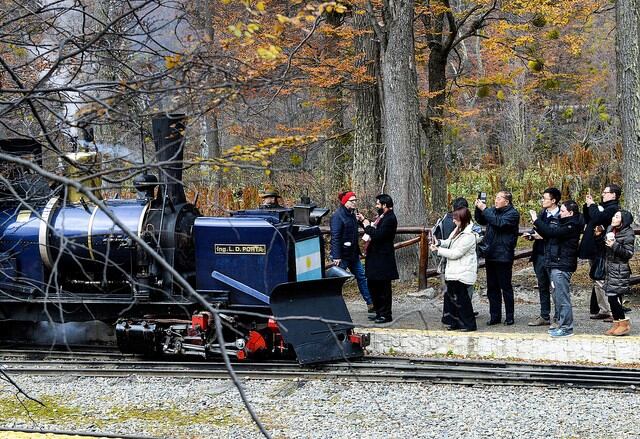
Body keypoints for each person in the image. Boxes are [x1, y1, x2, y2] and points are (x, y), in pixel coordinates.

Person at [531, 200, 583, 338]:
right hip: (554, 264)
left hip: (562, 265)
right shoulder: (562, 223)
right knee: (557, 296)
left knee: (562, 297)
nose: (560, 213)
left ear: (570, 213)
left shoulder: (572, 225)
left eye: (563, 211)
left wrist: (536, 220)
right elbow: (548, 233)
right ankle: (561, 324)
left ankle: (567, 327)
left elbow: (551, 232)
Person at [474, 190, 520, 326]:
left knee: (505, 287)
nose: (496, 200)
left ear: (507, 201)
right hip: (490, 254)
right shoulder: (492, 210)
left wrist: (485, 209)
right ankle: (495, 316)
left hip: (504, 255)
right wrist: (478, 208)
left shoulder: (513, 214)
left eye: (499, 198)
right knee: (492, 287)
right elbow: (481, 219)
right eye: (496, 197)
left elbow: (499, 223)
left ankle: (510, 316)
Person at [430, 207, 478, 332]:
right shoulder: (458, 231)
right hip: (453, 271)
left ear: (462, 219)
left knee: (462, 299)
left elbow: (457, 253)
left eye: (455, 219)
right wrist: (439, 242)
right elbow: (449, 243)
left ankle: (469, 324)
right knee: (451, 298)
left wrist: (438, 250)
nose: (453, 221)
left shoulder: (469, 235)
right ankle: (453, 322)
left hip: (462, 271)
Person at [578, 184, 621, 321]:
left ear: (614, 195)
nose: (603, 194)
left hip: (603, 248)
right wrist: (588, 206)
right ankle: (603, 309)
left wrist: (592, 206)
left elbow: (598, 218)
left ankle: (611, 310)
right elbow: (589, 219)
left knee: (603, 279)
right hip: (594, 246)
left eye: (606, 192)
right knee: (597, 279)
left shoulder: (613, 208)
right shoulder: (602, 207)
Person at [356, 194, 398, 324]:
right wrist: (363, 221)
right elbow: (372, 230)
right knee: (373, 285)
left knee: (383, 288)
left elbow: (378, 235)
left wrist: (367, 226)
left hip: (383, 259)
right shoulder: (381, 217)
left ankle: (386, 314)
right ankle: (379, 311)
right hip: (375, 257)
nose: (376, 206)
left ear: (385, 205)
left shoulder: (390, 219)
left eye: (378, 204)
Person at [330, 191, 373, 313]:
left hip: (353, 254)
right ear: (345, 202)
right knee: (337, 282)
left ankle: (370, 303)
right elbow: (335, 236)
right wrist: (336, 256)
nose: (354, 203)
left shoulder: (352, 214)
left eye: (355, 200)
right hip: (342, 255)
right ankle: (333, 306)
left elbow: (363, 226)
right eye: (352, 201)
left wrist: (362, 219)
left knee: (362, 276)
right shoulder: (337, 216)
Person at [524, 188, 561, 327]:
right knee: (542, 286)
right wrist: (531, 234)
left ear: (553, 200)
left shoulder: (561, 215)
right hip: (539, 254)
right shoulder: (542, 213)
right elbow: (538, 230)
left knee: (555, 287)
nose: (542, 201)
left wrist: (541, 233)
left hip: (552, 256)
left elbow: (552, 234)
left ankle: (558, 317)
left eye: (545, 198)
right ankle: (544, 315)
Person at [601, 210, 635, 336]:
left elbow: (628, 253)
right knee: (613, 297)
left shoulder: (628, 233)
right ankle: (617, 323)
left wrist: (614, 245)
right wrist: (600, 236)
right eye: (614, 215)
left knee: (613, 297)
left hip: (620, 269)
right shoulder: (611, 228)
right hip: (610, 267)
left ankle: (624, 324)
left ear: (623, 220)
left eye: (617, 216)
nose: (613, 218)